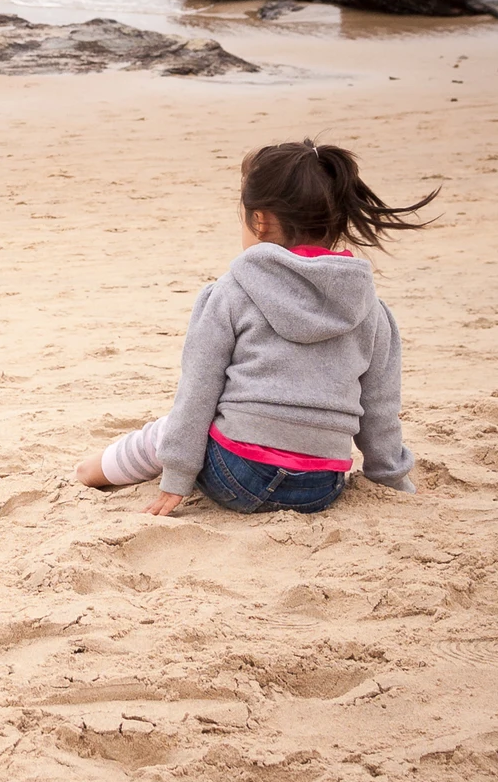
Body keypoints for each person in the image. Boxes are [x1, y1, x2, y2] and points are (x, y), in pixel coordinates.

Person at [75, 140, 436, 516]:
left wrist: (177, 477)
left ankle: (92, 471)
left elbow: (197, 393)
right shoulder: (371, 310)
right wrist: (393, 480)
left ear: (259, 220)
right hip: (318, 488)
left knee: (173, 429)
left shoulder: (230, 292)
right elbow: (379, 410)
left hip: (236, 475)